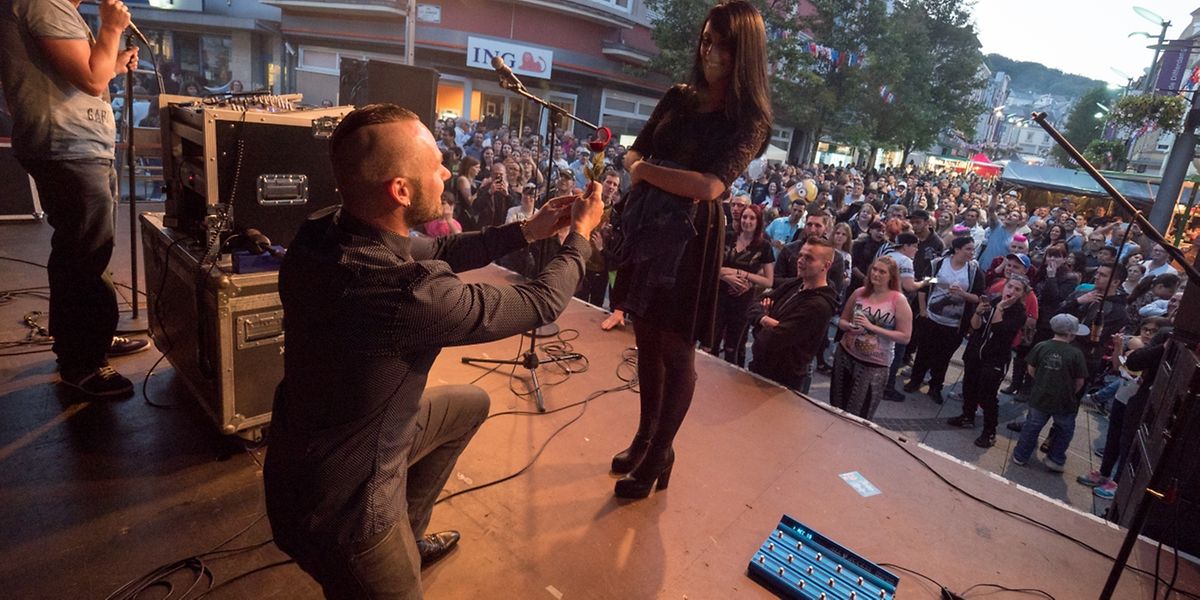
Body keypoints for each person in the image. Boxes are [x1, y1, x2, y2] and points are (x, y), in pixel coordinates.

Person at [263, 104, 604, 599]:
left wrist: (530, 229)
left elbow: (440, 250)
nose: (446, 173)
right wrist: (580, 237)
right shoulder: (406, 295)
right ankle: (386, 548)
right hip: (345, 515)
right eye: (436, 165)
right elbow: (541, 302)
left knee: (469, 405)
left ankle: (408, 534)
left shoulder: (323, 231)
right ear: (400, 191)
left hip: (300, 460)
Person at [608, 0, 772, 499]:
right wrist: (643, 167)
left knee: (677, 350)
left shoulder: (749, 118)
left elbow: (709, 186)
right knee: (645, 340)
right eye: (706, 41)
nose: (710, 52)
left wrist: (645, 171)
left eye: (723, 45)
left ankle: (661, 452)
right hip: (647, 228)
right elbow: (634, 148)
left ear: (744, 52)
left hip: (691, 238)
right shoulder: (679, 96)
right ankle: (644, 439)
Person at [0, 0, 149, 397]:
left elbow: (91, 72)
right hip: (67, 146)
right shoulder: (44, 3)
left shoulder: (58, 8)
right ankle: (81, 363)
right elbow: (91, 80)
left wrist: (114, 63)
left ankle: (92, 338)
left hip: (81, 147)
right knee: (83, 256)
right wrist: (111, 28)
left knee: (90, 252)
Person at [947, 276, 1030, 448]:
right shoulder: (993, 301)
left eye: (1017, 289)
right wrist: (978, 312)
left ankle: (989, 432)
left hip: (995, 358)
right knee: (969, 387)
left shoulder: (1019, 313)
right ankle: (967, 416)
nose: (1012, 291)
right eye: (1010, 286)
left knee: (987, 396)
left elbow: (999, 329)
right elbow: (975, 326)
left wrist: (1000, 308)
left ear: (1022, 294)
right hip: (976, 352)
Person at [747, 237, 838, 390]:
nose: (800, 260)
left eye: (809, 258)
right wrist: (764, 319)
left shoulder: (818, 306)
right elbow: (753, 304)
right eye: (800, 255)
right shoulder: (796, 283)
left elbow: (769, 340)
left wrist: (759, 324)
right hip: (760, 368)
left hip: (782, 382)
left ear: (826, 265)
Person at [830, 256, 913, 420]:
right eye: (874, 269)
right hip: (846, 355)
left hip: (875, 364)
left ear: (891, 276)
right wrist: (849, 326)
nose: (876, 274)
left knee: (859, 414)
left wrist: (872, 327)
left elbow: (905, 337)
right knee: (836, 406)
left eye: (882, 272)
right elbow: (842, 320)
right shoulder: (859, 293)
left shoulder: (898, 300)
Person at [905, 237, 982, 404]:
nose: (971, 253)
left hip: (954, 325)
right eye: (968, 249)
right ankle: (915, 380)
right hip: (931, 318)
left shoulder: (973, 271)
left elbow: (978, 296)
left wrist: (963, 294)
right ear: (957, 249)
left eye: (973, 249)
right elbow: (925, 285)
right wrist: (923, 309)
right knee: (923, 352)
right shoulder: (939, 264)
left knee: (943, 357)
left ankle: (935, 386)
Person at [1010, 314, 1089, 471]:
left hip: (1040, 395)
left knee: (1032, 426)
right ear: (1071, 334)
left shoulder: (1041, 346)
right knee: (1064, 429)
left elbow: (1031, 369)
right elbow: (1080, 381)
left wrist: (1042, 380)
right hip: (1064, 400)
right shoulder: (1076, 353)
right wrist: (1070, 391)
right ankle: (1055, 459)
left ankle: (1020, 455)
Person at [713, 203, 774, 365]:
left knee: (732, 347)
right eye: (744, 217)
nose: (747, 221)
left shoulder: (764, 246)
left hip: (742, 300)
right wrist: (726, 276)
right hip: (719, 296)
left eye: (752, 218)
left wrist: (741, 274)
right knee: (711, 342)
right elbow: (710, 265)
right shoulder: (728, 237)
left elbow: (769, 280)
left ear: (758, 222)